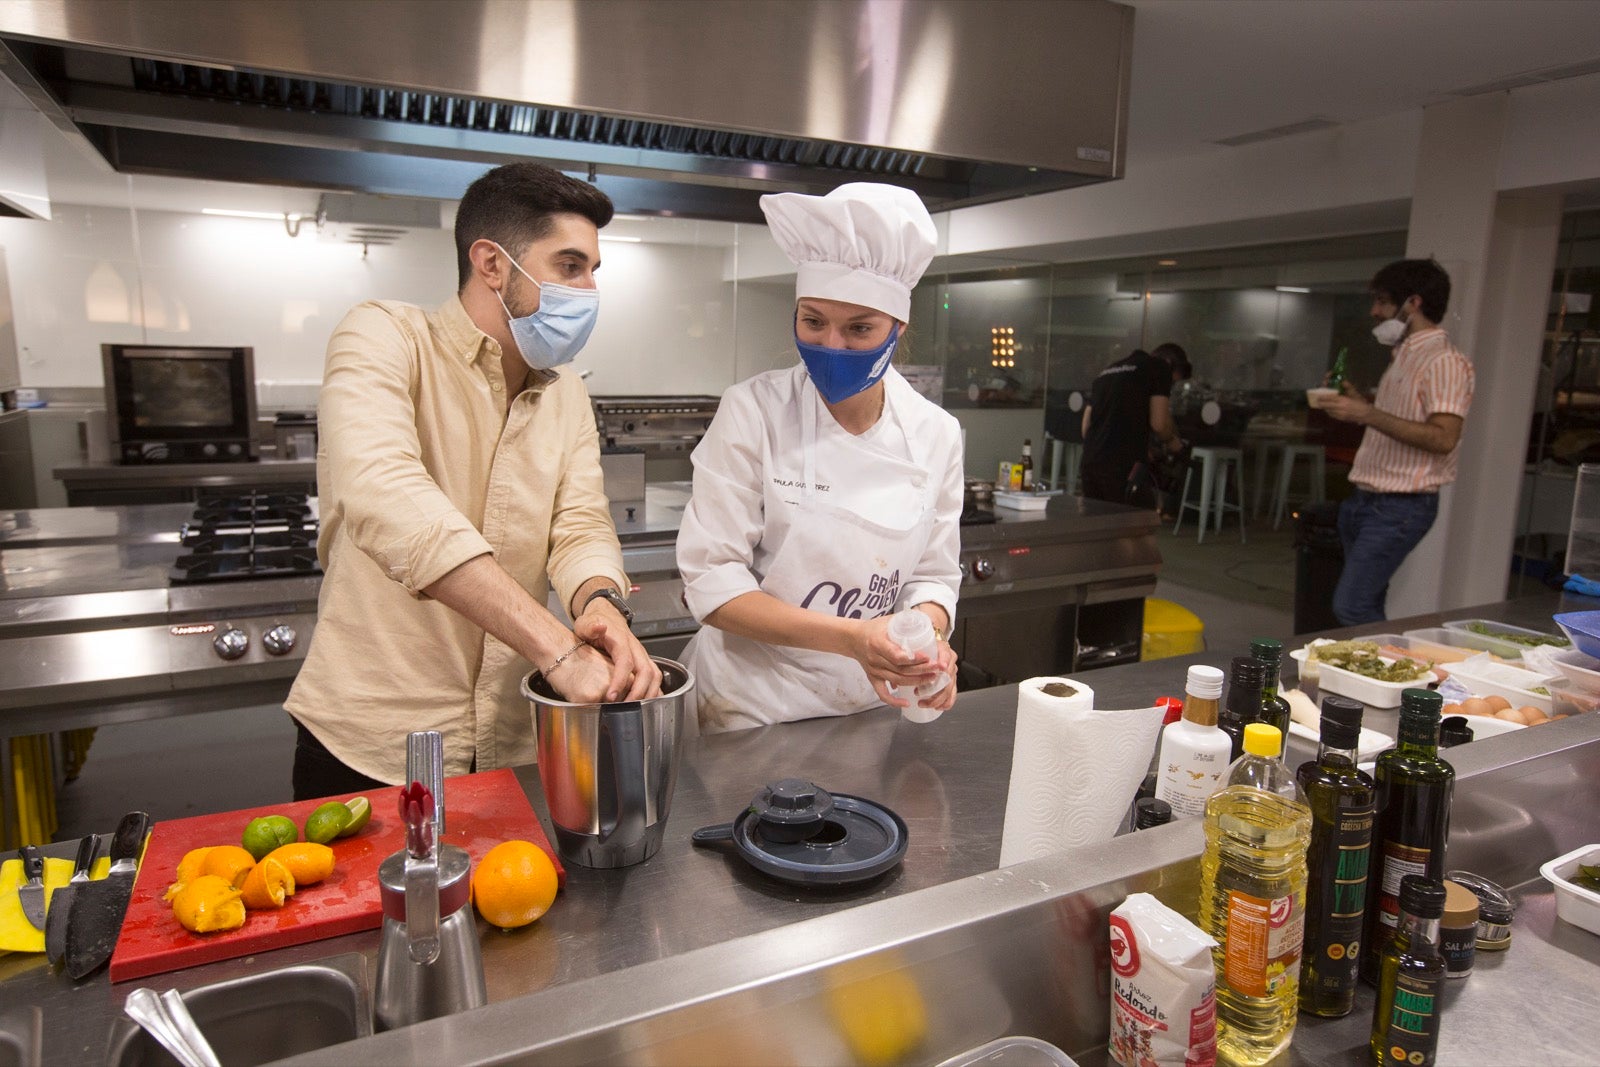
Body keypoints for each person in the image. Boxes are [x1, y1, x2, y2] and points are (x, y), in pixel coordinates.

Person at [284, 162, 662, 799]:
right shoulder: (383, 335)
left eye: (594, 271)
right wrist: (557, 648)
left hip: (513, 742)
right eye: (570, 267)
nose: (589, 290)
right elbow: (387, 498)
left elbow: (579, 522)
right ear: (490, 264)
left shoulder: (567, 391)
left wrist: (600, 603)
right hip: (373, 742)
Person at [676, 182, 962, 734]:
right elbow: (712, 583)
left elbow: (933, 575)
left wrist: (926, 642)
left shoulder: (935, 433)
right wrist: (854, 639)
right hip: (750, 707)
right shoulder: (754, 411)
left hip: (870, 703)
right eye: (813, 321)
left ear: (898, 328)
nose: (832, 345)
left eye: (859, 328)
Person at [1323, 258, 1474, 625]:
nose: (1374, 312)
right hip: (1366, 498)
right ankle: (1374, 661)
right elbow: (1397, 422)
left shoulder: (1444, 362)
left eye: (1382, 301)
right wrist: (1357, 403)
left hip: (1400, 505)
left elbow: (1444, 437)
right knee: (1366, 603)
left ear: (1413, 303)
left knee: (1352, 606)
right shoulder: (1404, 356)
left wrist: (1367, 414)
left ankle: (1383, 660)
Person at [1079, 342, 1189, 505]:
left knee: (1098, 518)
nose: (1170, 388)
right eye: (1172, 383)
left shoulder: (1107, 371)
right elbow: (1159, 424)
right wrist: (1172, 442)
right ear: (1169, 363)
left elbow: (1086, 429)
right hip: (1123, 469)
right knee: (1140, 517)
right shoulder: (1159, 367)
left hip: (1090, 463)